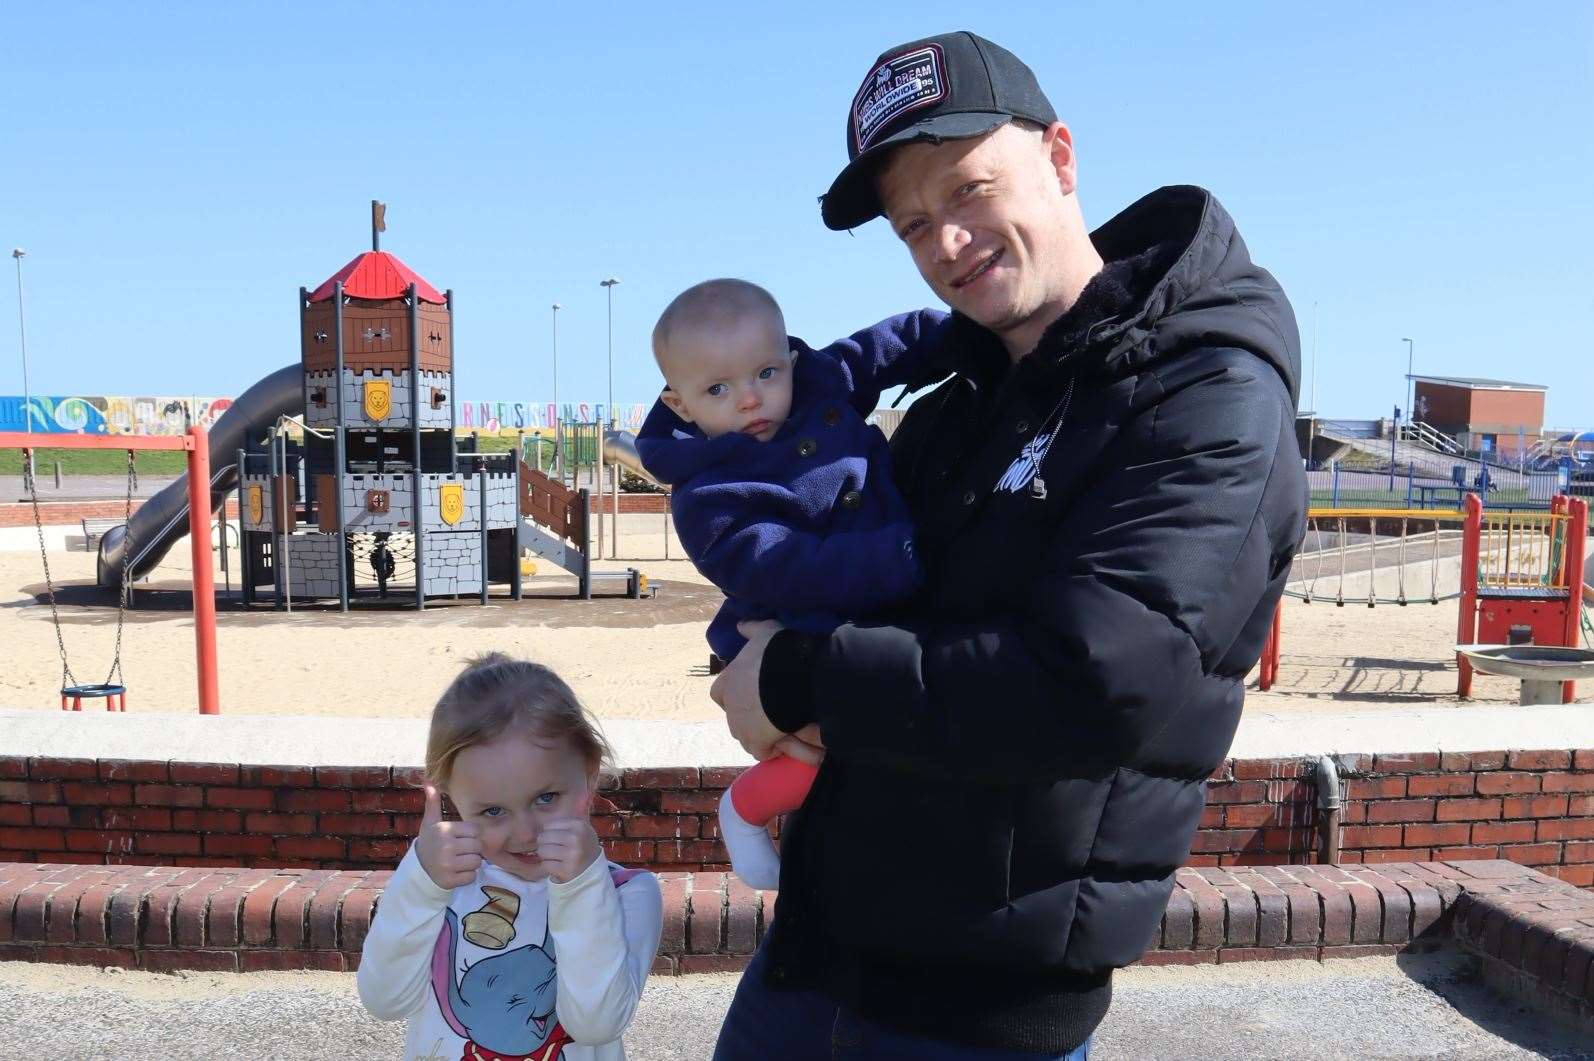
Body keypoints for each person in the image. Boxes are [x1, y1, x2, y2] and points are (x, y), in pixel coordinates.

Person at [709, 30, 1309, 1060]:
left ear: (1060, 159)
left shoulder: (1208, 396)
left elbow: (1092, 681)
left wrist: (803, 674)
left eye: (970, 189)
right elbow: (867, 597)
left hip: (981, 1013)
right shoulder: (954, 404)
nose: (946, 241)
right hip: (811, 961)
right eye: (913, 224)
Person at [636, 278, 949, 889]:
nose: (751, 400)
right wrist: (900, 556)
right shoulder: (706, 493)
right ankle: (746, 809)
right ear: (681, 405)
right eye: (719, 389)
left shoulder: (818, 387)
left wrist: (958, 336)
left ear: (791, 362)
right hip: (797, 615)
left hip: (880, 590)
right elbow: (786, 566)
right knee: (816, 747)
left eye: (766, 374)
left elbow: (884, 346)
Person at [358, 653, 663, 1061]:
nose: (525, 833)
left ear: (589, 773)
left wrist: (582, 886)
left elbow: (596, 1023)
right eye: (493, 811)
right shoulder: (438, 885)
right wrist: (420, 883)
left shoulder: (627, 893)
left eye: (546, 798)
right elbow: (385, 1001)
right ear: (450, 796)